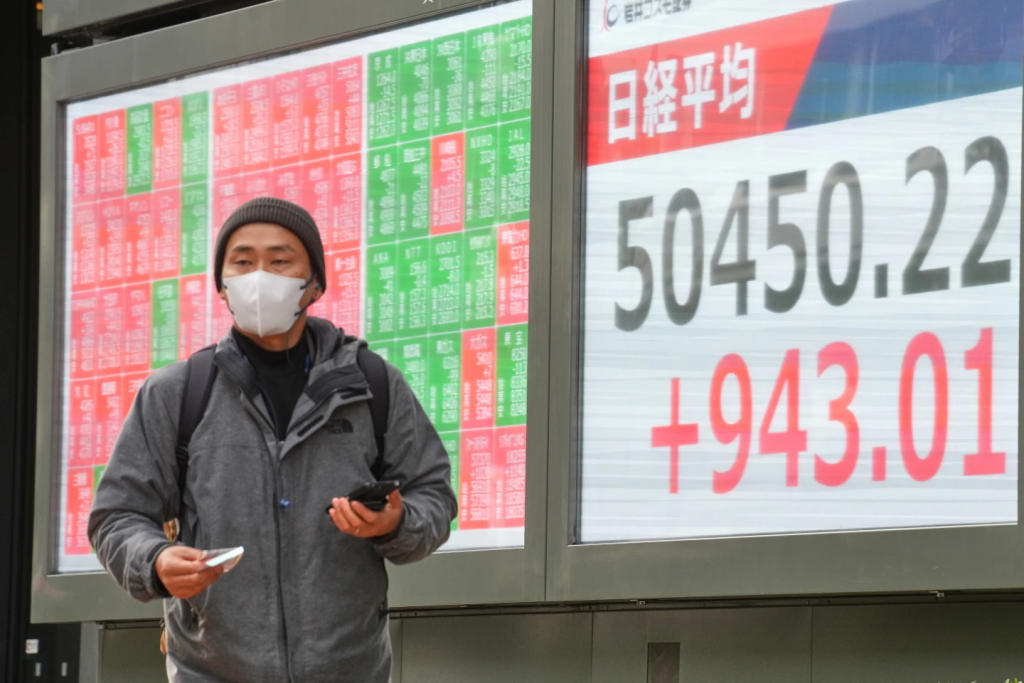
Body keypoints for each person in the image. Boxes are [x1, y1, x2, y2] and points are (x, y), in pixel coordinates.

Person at [88, 197, 457, 683]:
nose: (259, 277)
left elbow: (433, 496)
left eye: (280, 261)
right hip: (210, 671)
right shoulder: (177, 393)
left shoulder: (372, 385)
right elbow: (117, 516)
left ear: (315, 283)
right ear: (222, 284)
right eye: (242, 262)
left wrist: (396, 522)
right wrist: (154, 560)